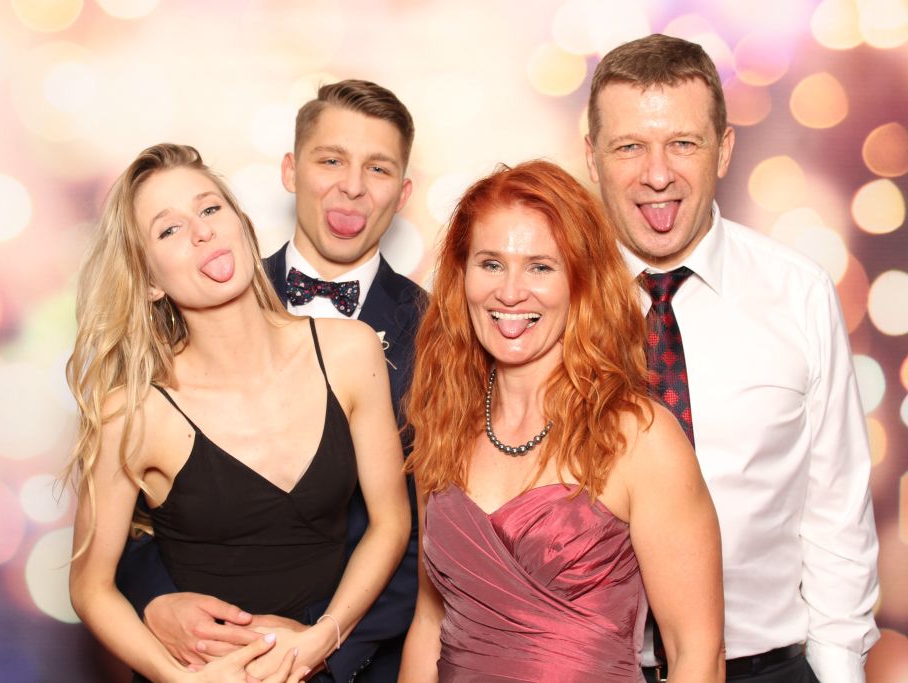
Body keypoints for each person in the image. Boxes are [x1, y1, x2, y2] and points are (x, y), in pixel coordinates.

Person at [583, 34, 880, 683]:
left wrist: (839, 673)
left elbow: (837, 511)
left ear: (723, 149)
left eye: (683, 144)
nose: (656, 174)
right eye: (629, 146)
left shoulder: (798, 292)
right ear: (591, 156)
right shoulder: (547, 302)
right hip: (592, 669)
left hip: (766, 667)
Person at [114, 81, 426, 682]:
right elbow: (127, 508)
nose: (352, 186)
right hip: (207, 661)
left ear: (403, 192)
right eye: (330, 160)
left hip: (361, 661)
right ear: (290, 170)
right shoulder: (200, 284)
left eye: (378, 168)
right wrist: (156, 601)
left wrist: (323, 647)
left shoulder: (444, 334)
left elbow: (437, 527)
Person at [398, 159, 724, 682]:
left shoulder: (641, 437)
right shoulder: (442, 422)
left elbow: (696, 654)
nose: (510, 292)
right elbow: (430, 621)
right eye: (491, 264)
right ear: (461, 276)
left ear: (582, 281)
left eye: (540, 267)